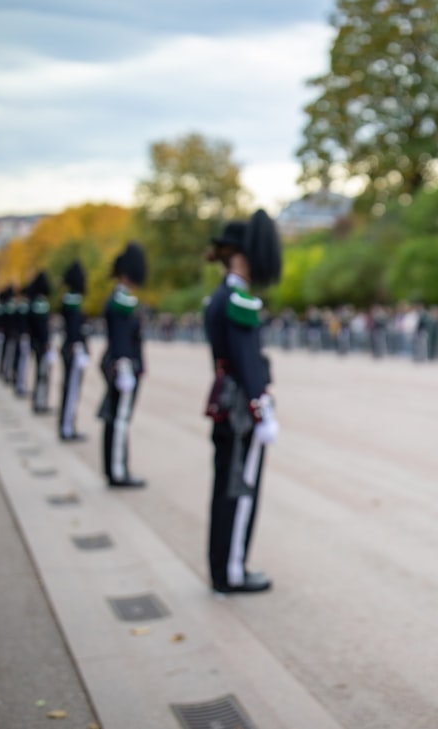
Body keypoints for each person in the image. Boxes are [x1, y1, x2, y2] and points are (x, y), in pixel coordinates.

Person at [203, 211, 281, 594]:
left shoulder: (222, 296)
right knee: (239, 488)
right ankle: (231, 569)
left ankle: (225, 566)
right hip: (239, 409)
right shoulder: (237, 298)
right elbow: (247, 361)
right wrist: (260, 407)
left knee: (227, 486)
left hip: (227, 403)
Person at [99, 241, 147, 488]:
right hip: (123, 366)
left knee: (117, 419)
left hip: (120, 365)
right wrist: (124, 365)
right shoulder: (121, 300)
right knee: (119, 420)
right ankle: (117, 471)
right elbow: (121, 338)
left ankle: (115, 467)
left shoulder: (120, 298)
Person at [59, 261, 90, 441]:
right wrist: (77, 346)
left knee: (72, 390)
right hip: (74, 349)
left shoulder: (70, 298)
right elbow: (74, 329)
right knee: (71, 391)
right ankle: (67, 428)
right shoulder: (72, 299)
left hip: (73, 348)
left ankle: (69, 425)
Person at [25, 271, 54, 414]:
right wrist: (46, 342)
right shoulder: (40, 303)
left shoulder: (33, 302)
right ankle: (40, 402)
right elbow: (42, 327)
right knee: (42, 374)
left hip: (35, 342)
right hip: (41, 344)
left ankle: (38, 400)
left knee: (40, 373)